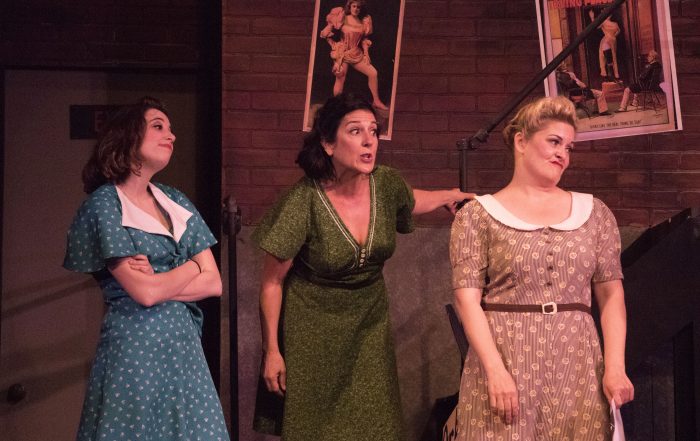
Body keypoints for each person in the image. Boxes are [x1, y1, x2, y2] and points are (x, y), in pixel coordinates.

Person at [252, 92, 473, 441]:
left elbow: (410, 199)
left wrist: (448, 195)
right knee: (317, 429)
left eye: (373, 131)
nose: (369, 140)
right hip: (312, 327)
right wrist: (272, 352)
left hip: (369, 321)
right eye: (355, 131)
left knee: (376, 422)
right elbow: (271, 284)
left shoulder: (385, 183)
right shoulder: (303, 200)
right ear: (328, 143)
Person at [449, 96, 634, 439]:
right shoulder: (478, 216)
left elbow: (611, 295)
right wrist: (495, 370)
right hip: (505, 360)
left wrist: (615, 366)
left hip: (577, 363)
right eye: (554, 141)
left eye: (569, 147)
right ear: (521, 141)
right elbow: (466, 300)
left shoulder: (595, 214)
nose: (563, 153)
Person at [63, 97, 229, 441]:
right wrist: (190, 266)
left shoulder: (175, 201)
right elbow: (145, 293)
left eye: (170, 128)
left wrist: (161, 276)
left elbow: (214, 283)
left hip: (183, 347)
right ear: (128, 136)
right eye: (158, 126)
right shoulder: (105, 204)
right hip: (136, 346)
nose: (171, 135)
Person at [320, 0, 388, 110]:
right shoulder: (342, 18)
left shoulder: (363, 22)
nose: (356, 9)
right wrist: (333, 44)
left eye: (358, 7)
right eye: (354, 6)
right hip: (342, 54)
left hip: (356, 53)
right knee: (340, 77)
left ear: (360, 9)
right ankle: (336, 105)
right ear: (350, 7)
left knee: (373, 73)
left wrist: (366, 53)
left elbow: (364, 39)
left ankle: (376, 101)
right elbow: (325, 33)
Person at [590, 9, 621, 80]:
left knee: (610, 58)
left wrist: (592, 18)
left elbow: (619, 31)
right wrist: (613, 36)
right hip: (610, 41)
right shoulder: (611, 23)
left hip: (609, 41)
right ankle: (612, 75)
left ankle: (611, 75)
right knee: (611, 58)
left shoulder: (609, 23)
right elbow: (618, 31)